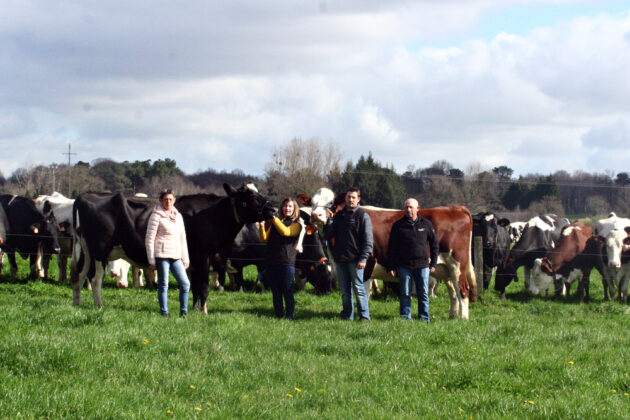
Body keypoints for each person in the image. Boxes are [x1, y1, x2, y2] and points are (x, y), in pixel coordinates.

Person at [324, 187, 373, 321]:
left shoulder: (363, 216)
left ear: (358, 199)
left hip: (356, 260)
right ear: (345, 199)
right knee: (345, 291)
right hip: (340, 259)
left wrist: (363, 258)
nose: (350, 199)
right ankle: (347, 315)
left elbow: (368, 240)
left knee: (359, 288)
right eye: (348, 197)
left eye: (353, 197)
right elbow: (328, 235)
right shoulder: (339, 216)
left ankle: (364, 316)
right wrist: (329, 221)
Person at [387, 198, 438, 322]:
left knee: (423, 293)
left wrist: (434, 263)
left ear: (417, 209)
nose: (408, 209)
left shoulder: (426, 224)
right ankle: (405, 317)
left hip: (422, 265)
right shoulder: (398, 226)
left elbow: (434, 243)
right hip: (404, 266)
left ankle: (424, 317)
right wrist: (391, 267)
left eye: (411, 207)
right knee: (405, 293)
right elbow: (391, 248)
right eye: (406, 207)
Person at [145, 189, 190, 317]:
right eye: (165, 199)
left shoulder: (178, 216)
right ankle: (164, 312)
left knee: (185, 284)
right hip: (162, 255)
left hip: (176, 255)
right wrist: (151, 260)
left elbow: (182, 238)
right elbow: (149, 239)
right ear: (161, 200)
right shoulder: (156, 216)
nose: (168, 202)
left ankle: (184, 311)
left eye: (171, 199)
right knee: (164, 284)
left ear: (174, 200)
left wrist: (185, 258)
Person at [259, 197, 303, 319]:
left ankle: (289, 316)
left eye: (290, 206)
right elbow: (264, 239)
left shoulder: (297, 224)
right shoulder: (276, 222)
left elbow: (286, 232)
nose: (287, 208)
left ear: (294, 209)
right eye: (285, 206)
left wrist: (274, 218)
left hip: (286, 262)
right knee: (276, 292)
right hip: (272, 261)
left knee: (287, 291)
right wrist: (262, 227)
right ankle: (278, 315)